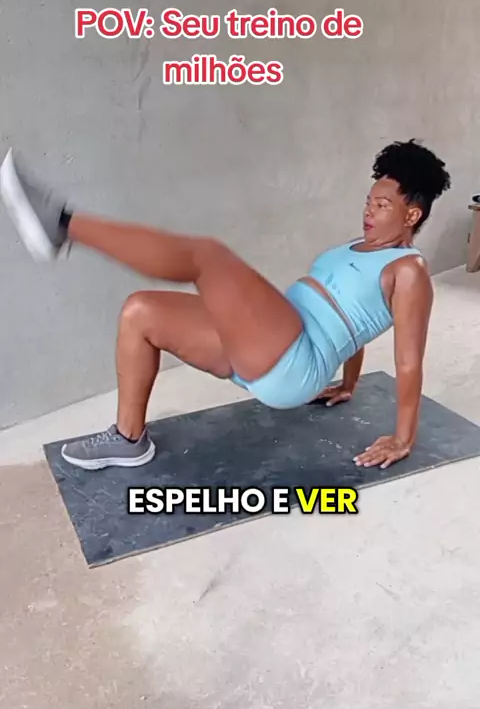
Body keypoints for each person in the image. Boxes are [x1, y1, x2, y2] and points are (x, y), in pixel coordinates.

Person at [0, 139, 450, 472]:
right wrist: (348, 382)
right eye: (368, 202)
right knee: (141, 312)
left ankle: (62, 223)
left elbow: (408, 361)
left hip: (295, 361)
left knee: (208, 257)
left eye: (382, 205)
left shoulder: (409, 270)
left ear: (411, 215)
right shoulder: (358, 246)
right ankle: (129, 439)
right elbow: (356, 318)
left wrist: (403, 437)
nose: (369, 212)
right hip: (264, 347)